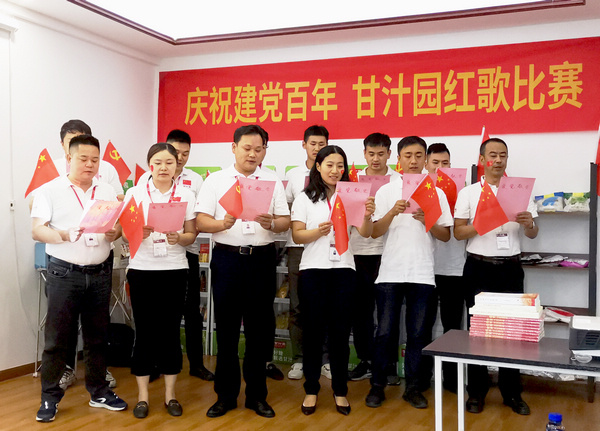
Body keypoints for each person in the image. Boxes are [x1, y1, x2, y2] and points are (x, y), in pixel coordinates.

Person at [31, 134, 127, 422]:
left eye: (95, 160)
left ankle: (99, 392)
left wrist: (116, 232)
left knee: (98, 338)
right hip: (64, 273)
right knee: (57, 339)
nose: (89, 164)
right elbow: (37, 230)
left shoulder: (106, 190)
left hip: (100, 272)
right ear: (69, 158)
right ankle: (49, 398)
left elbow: (118, 226)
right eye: (83, 159)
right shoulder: (50, 190)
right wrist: (62, 234)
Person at [196, 125, 290, 419]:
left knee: (258, 332)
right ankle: (225, 396)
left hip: (261, 260)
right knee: (225, 331)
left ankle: (256, 396)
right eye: (247, 148)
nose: (252, 154)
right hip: (227, 260)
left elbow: (285, 221)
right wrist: (222, 224)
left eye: (258, 149)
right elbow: (200, 221)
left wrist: (271, 223)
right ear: (233, 147)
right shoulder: (216, 180)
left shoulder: (272, 180)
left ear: (264, 151)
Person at [366, 136, 453, 410]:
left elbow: (445, 235)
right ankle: (377, 385)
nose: (413, 161)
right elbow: (374, 232)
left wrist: (428, 219)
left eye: (418, 156)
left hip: (422, 273)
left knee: (418, 334)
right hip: (390, 273)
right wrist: (392, 212)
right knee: (385, 332)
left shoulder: (436, 192)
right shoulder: (386, 191)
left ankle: (414, 387)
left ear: (426, 160)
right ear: (398, 159)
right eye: (408, 156)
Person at [454, 137, 538, 415]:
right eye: (493, 155)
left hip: (511, 268)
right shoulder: (469, 193)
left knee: (512, 333)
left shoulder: (520, 191)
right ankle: (476, 391)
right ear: (482, 160)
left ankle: (511, 392)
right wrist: (482, 223)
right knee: (477, 332)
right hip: (479, 267)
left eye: (503, 155)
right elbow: (458, 233)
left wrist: (529, 224)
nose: (498, 160)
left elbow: (532, 233)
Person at [292, 145, 374, 416]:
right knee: (313, 334)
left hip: (344, 270)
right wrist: (317, 232)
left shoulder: (351, 196)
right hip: (313, 271)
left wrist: (367, 214)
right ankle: (311, 389)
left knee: (340, 334)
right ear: (318, 167)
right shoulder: (305, 198)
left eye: (340, 165)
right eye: (329, 165)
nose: (335, 170)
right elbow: (297, 235)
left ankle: (340, 390)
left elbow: (366, 232)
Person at [123, 143, 198, 419]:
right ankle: (143, 397)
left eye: (169, 162)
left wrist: (181, 238)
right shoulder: (135, 193)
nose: (164, 167)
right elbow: (124, 233)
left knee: (170, 332)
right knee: (144, 332)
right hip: (142, 269)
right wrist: (136, 232)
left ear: (177, 165)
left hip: (174, 269)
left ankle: (170, 395)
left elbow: (192, 234)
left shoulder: (186, 194)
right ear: (149, 165)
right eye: (158, 162)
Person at [138, 129, 214, 382]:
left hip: (184, 253)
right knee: (156, 314)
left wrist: (182, 233)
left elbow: (199, 218)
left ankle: (196, 364)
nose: (179, 158)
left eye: (184, 154)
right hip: (152, 257)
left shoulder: (195, 181)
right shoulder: (144, 182)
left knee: (191, 311)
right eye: (174, 152)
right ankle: (155, 364)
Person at [348, 133, 400, 382]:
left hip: (390, 252)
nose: (376, 159)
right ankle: (365, 360)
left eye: (381, 153)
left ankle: (388, 364)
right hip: (359, 253)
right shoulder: (353, 181)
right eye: (371, 154)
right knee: (361, 311)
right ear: (364, 154)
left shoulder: (399, 182)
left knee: (388, 313)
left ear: (389, 154)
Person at [284, 125, 329, 381]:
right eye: (313, 143)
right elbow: (288, 209)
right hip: (298, 247)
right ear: (304, 145)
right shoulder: (293, 176)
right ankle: (299, 359)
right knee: (298, 305)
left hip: (327, 248)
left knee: (326, 307)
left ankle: (325, 359)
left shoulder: (334, 174)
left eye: (321, 144)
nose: (317, 148)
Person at [424, 143, 467, 392]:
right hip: (425, 269)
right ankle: (423, 377)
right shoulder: (417, 190)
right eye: (435, 163)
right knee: (424, 325)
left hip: (454, 268)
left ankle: (452, 379)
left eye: (445, 163)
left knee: (452, 326)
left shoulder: (463, 190)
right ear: (426, 164)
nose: (440, 168)